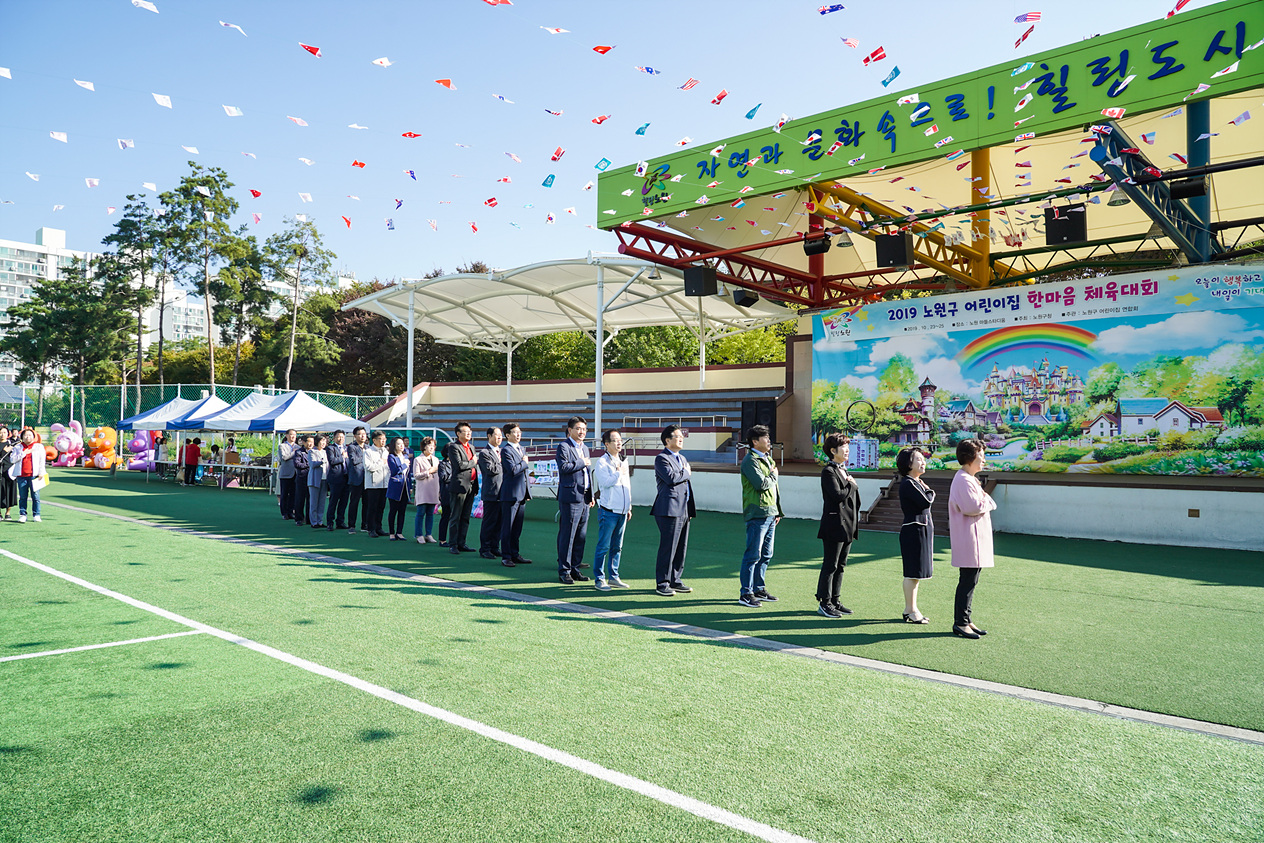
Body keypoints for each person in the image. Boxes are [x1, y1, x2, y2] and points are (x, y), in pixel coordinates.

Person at [949, 439, 996, 640]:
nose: (984, 460)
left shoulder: (968, 478)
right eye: (981, 456)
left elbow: (981, 502)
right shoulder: (963, 479)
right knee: (967, 581)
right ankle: (960, 622)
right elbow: (974, 506)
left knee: (971, 580)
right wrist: (986, 500)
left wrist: (984, 500)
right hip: (969, 539)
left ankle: (965, 619)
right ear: (970, 458)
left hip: (973, 537)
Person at [738, 424, 784, 608]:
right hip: (757, 512)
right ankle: (746, 593)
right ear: (754, 442)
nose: (769, 441)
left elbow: (774, 489)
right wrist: (774, 475)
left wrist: (777, 511)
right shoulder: (750, 461)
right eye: (765, 438)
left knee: (766, 554)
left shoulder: (767, 459)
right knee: (753, 554)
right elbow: (761, 484)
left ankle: (758, 588)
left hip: (770, 513)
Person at [817, 433, 860, 619]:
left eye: (847, 446)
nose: (847, 450)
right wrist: (851, 485)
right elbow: (837, 495)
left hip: (848, 525)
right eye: (843, 446)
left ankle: (835, 599)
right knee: (830, 565)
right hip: (834, 524)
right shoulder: (828, 471)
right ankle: (824, 602)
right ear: (833, 451)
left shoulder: (844, 470)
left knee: (841, 565)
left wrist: (851, 484)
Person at [651, 423, 695, 596]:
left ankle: (675, 579)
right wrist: (686, 473)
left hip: (683, 508)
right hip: (668, 508)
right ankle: (662, 583)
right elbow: (670, 478)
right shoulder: (661, 458)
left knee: (681, 547)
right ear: (667, 440)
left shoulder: (682, 459)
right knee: (668, 547)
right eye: (677, 436)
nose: (681, 438)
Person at [897, 447, 934, 624]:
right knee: (912, 573)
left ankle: (910, 609)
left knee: (917, 574)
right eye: (918, 459)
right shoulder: (908, 483)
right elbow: (926, 501)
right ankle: (911, 610)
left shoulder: (916, 482)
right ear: (908, 463)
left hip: (921, 530)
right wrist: (930, 491)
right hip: (914, 531)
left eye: (922, 458)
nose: (923, 461)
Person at [591, 429, 632, 591]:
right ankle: (599, 579)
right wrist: (617, 473)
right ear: (606, 444)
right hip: (608, 510)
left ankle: (614, 576)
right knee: (604, 546)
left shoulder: (623, 460)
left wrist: (629, 505)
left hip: (622, 510)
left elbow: (627, 485)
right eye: (615, 440)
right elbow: (605, 483)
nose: (619, 443)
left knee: (617, 546)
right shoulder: (602, 462)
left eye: (620, 440)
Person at [556, 416, 593, 584]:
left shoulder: (585, 447)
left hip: (584, 497)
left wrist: (591, 494)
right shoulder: (563, 447)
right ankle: (564, 570)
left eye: (584, 429)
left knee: (581, 536)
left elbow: (588, 474)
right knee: (568, 535)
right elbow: (564, 468)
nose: (582, 432)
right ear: (570, 430)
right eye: (578, 428)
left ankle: (575, 568)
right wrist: (581, 462)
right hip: (570, 497)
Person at [498, 422, 533, 567]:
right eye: (515, 432)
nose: (518, 434)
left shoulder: (521, 449)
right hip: (510, 494)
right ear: (507, 435)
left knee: (517, 527)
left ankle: (515, 553)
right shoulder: (506, 451)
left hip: (521, 494)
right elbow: (512, 470)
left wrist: (527, 491)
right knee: (508, 526)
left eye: (519, 432)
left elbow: (523, 474)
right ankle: (506, 556)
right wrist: (525, 463)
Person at [444, 422, 479, 554]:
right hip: (459, 485)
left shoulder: (471, 447)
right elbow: (459, 465)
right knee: (456, 516)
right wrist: (473, 462)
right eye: (465, 431)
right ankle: (452, 544)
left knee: (465, 517)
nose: (469, 433)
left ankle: (461, 543)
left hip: (471, 485)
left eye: (470, 431)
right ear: (458, 434)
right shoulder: (454, 447)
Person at [9, 428, 46, 523]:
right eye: (25, 435)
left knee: (36, 496)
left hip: (35, 475)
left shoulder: (38, 447)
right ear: (22, 437)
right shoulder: (18, 447)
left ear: (34, 437)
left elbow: (42, 461)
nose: (27, 437)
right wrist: (23, 454)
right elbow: (12, 460)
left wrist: (42, 472)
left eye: (30, 435)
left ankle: (36, 514)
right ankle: (22, 514)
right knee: (22, 496)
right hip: (21, 475)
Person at [477, 427, 504, 559]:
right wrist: (502, 463)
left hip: (503, 493)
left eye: (501, 436)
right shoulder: (484, 453)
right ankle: (485, 548)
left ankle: (495, 547)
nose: (499, 438)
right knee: (489, 522)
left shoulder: (501, 451)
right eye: (497, 435)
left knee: (499, 522)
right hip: (491, 492)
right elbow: (490, 469)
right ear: (489, 436)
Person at [412, 436, 441, 543]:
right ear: (424, 447)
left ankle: (428, 534)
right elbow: (416, 475)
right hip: (423, 490)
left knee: (430, 513)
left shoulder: (436, 459)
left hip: (433, 489)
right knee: (421, 513)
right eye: (430, 445)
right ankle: (418, 534)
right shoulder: (418, 459)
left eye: (433, 446)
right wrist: (428, 472)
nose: (432, 448)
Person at [363, 430, 389, 538]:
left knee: (381, 507)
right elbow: (368, 467)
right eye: (380, 439)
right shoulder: (368, 451)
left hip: (384, 483)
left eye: (384, 439)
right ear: (374, 440)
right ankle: (371, 528)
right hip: (373, 484)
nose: (383, 441)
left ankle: (379, 527)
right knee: (372, 507)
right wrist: (381, 462)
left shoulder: (386, 451)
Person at [386, 436, 411, 541]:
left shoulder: (405, 457)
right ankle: (392, 532)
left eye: (402, 444)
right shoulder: (391, 457)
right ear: (394, 446)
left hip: (405, 486)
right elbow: (395, 470)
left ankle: (399, 532)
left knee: (402, 511)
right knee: (393, 510)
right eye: (399, 444)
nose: (402, 446)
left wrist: (410, 487)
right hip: (395, 486)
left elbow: (408, 474)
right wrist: (404, 465)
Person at [325, 430, 349, 530]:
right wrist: (342, 456)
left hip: (346, 477)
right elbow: (332, 461)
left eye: (342, 437)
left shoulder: (347, 448)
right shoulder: (330, 448)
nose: (341, 439)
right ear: (334, 438)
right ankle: (330, 522)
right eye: (339, 437)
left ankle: (340, 521)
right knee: (333, 501)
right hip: (335, 478)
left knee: (344, 501)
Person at [346, 426, 368, 533]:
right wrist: (366, 457)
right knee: (354, 502)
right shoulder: (352, 447)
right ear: (355, 436)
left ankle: (365, 525)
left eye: (364, 433)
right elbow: (353, 460)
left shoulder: (368, 447)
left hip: (367, 479)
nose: (362, 436)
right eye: (360, 434)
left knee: (367, 503)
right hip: (356, 479)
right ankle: (351, 525)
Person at [307, 434, 329, 528]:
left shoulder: (325, 452)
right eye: (321, 441)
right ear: (317, 442)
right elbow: (312, 464)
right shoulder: (312, 451)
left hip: (324, 479)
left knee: (322, 502)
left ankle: (320, 521)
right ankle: (313, 522)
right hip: (314, 479)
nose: (323, 443)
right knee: (314, 502)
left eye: (325, 441)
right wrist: (321, 461)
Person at [278, 429, 299, 519]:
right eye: (291, 435)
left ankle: (291, 511)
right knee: (285, 494)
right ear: (286, 435)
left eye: (294, 435)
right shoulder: (282, 446)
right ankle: (284, 513)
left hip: (296, 473)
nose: (293, 436)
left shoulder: (298, 446)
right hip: (286, 473)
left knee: (293, 494)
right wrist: (294, 452)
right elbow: (284, 457)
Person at [292, 435, 312, 525]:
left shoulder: (315, 451)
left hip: (312, 478)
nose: (310, 444)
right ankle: (299, 518)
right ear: (303, 442)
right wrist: (309, 464)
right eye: (308, 441)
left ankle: (309, 518)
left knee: (310, 499)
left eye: (312, 441)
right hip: (302, 478)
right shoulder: (299, 452)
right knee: (300, 499)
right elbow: (297, 464)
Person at [0, 424, 18, 520]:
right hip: (0, 471)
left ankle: (8, 513)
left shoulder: (13, 444)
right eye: (1, 433)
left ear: (8, 433)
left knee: (10, 491)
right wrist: (3, 452)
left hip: (10, 471)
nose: (2, 435)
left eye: (4, 433)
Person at [436, 450, 453, 546]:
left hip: (456, 493)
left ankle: (454, 540)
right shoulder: (442, 464)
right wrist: (455, 475)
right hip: (446, 493)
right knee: (445, 516)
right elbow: (443, 477)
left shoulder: (457, 463)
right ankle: (442, 540)